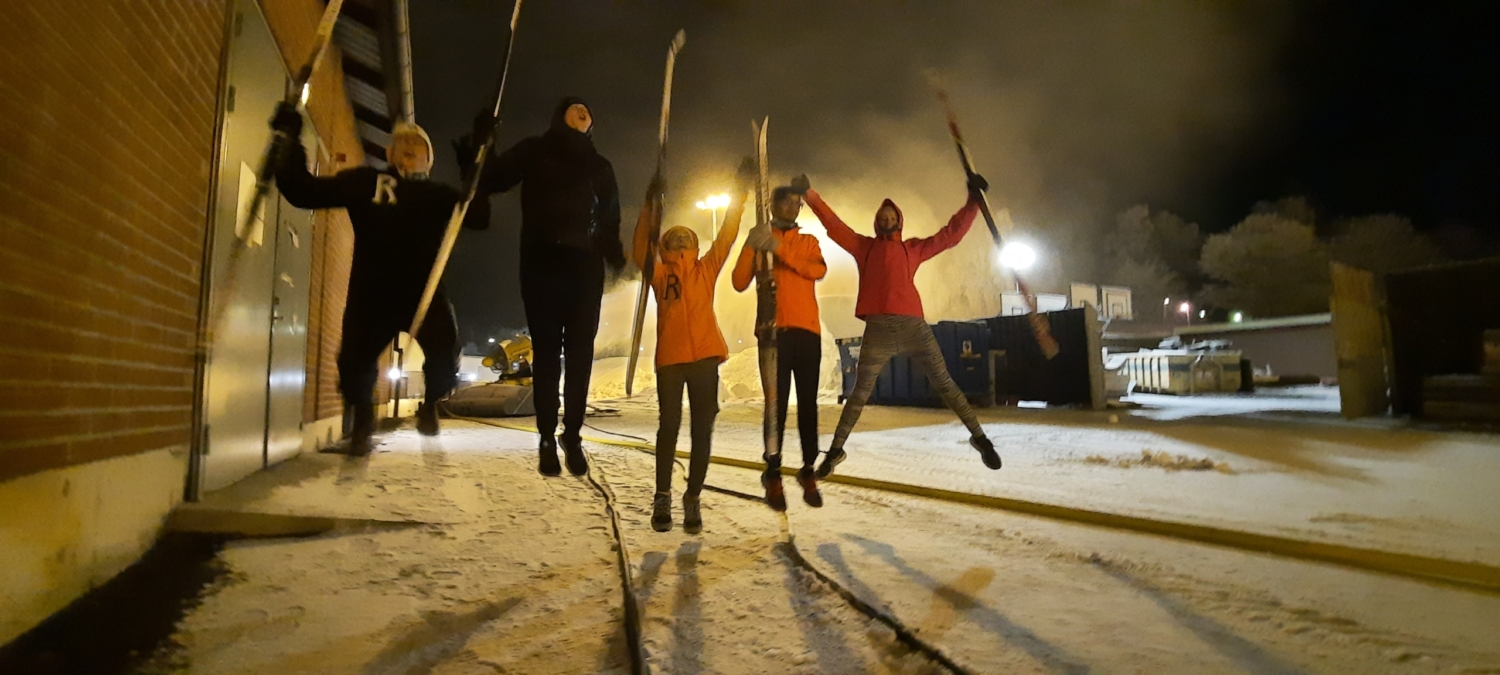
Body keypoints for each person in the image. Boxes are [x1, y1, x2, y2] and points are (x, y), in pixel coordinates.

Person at [270, 103, 489, 456]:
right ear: (388, 152)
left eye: (418, 145)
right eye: (401, 141)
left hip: (423, 291)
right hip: (373, 291)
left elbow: (478, 216)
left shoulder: (439, 196)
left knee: (445, 351)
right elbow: (302, 191)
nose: (408, 146)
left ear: (429, 160)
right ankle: (362, 423)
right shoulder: (366, 183)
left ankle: (430, 403)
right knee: (354, 361)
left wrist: (475, 163)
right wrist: (290, 139)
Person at [804, 173, 1002, 478]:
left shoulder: (912, 249)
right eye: (882, 217)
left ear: (899, 221)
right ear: (877, 222)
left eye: (891, 216)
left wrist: (973, 201)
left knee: (946, 384)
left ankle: (981, 439)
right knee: (859, 394)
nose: (886, 220)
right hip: (879, 330)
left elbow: (950, 235)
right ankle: (834, 452)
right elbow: (834, 225)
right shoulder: (864, 247)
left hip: (913, 328)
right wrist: (810, 195)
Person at [468, 97, 626, 477]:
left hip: (584, 267)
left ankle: (571, 435)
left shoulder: (600, 166)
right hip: (542, 263)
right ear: (560, 116)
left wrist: (614, 252)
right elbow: (492, 179)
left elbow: (610, 217)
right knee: (547, 351)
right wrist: (483, 141)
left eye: (588, 110)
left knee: (580, 353)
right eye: (575, 107)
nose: (583, 111)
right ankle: (544, 436)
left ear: (592, 125)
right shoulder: (535, 151)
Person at [633, 160, 754, 533]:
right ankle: (662, 497)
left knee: (703, 428)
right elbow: (639, 246)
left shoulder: (706, 268)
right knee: (668, 427)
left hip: (704, 357)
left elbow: (729, 235)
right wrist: (650, 204)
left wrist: (740, 191)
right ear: (666, 243)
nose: (682, 239)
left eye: (687, 236)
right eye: (675, 236)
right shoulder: (659, 273)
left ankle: (693, 497)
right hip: (670, 359)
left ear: (695, 244)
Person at [731, 176, 828, 510]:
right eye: (786, 202)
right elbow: (739, 281)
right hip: (771, 332)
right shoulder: (760, 240)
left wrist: (779, 249)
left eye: (796, 203)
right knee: (776, 403)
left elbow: (815, 271)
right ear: (772, 204)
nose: (792, 207)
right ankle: (772, 470)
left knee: (808, 404)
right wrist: (750, 245)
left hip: (806, 331)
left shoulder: (808, 241)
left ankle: (807, 467)